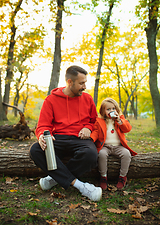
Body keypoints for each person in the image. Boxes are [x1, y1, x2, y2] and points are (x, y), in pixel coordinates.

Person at [29, 65, 102, 201]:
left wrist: (88, 127)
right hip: (58, 139)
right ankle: (81, 186)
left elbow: (94, 121)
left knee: (91, 154)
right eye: (81, 83)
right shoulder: (51, 100)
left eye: (85, 82)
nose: (85, 86)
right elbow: (43, 125)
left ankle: (53, 179)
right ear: (70, 82)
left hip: (80, 139)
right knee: (35, 150)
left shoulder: (87, 99)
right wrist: (42, 136)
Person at [90, 98, 137, 190]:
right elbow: (95, 132)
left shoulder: (120, 119)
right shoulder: (99, 121)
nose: (111, 111)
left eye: (113, 109)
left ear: (117, 110)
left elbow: (127, 129)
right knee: (101, 154)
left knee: (126, 154)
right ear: (103, 112)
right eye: (108, 109)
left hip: (118, 146)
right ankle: (103, 176)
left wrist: (119, 120)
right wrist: (91, 139)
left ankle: (122, 177)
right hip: (105, 146)